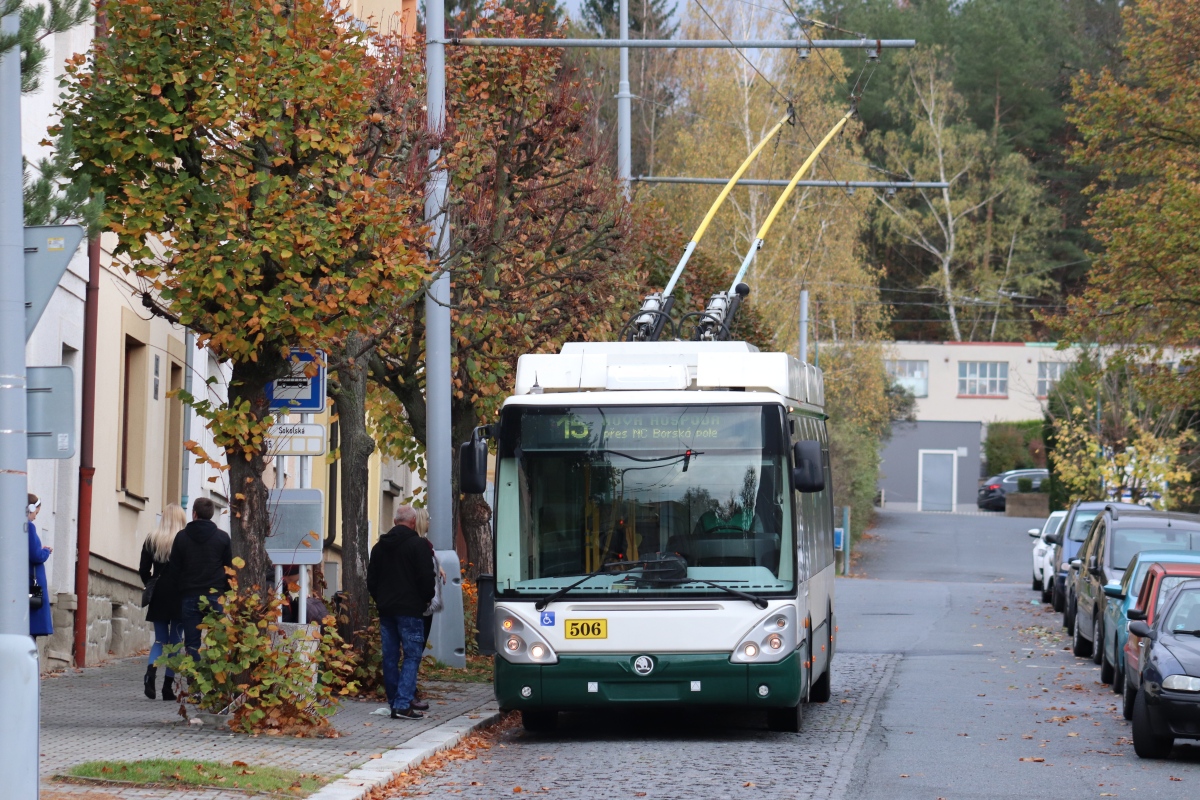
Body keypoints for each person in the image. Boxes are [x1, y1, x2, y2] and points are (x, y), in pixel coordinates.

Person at [368, 505, 435, 720]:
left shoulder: (379, 548)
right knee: (412, 655)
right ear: (413, 522)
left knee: (390, 657)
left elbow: (372, 581)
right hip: (410, 610)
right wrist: (426, 599)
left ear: (395, 521)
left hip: (386, 610)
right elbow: (426, 578)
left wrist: (381, 600)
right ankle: (403, 704)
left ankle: (394, 702)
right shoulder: (418, 545)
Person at [167, 497, 233, 659]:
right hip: (215, 595)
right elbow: (228, 569)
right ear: (211, 514)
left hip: (189, 594)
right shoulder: (222, 538)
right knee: (218, 642)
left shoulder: (181, 537)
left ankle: (194, 673)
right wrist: (225, 591)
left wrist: (178, 592)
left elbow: (174, 569)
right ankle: (215, 672)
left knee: (192, 644)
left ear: (194, 514)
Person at [140, 504, 186, 701]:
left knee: (160, 639)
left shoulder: (152, 538)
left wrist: (150, 584)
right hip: (180, 593)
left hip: (159, 592)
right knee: (176, 640)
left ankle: (150, 676)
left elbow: (143, 569)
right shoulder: (185, 540)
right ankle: (168, 686)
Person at [413, 507, 446, 704]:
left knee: (417, 647)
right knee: (416, 647)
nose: (429, 523)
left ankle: (410, 686)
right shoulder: (420, 545)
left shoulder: (426, 545)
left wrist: (438, 566)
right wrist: (428, 598)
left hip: (426, 603)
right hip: (423, 604)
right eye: (427, 519)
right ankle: (410, 689)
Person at [27, 494, 53, 639]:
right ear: (30, 509)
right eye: (36, 513)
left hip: (28, 581)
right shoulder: (29, 527)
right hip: (33, 583)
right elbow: (35, 556)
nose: (35, 517)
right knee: (33, 625)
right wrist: (46, 551)